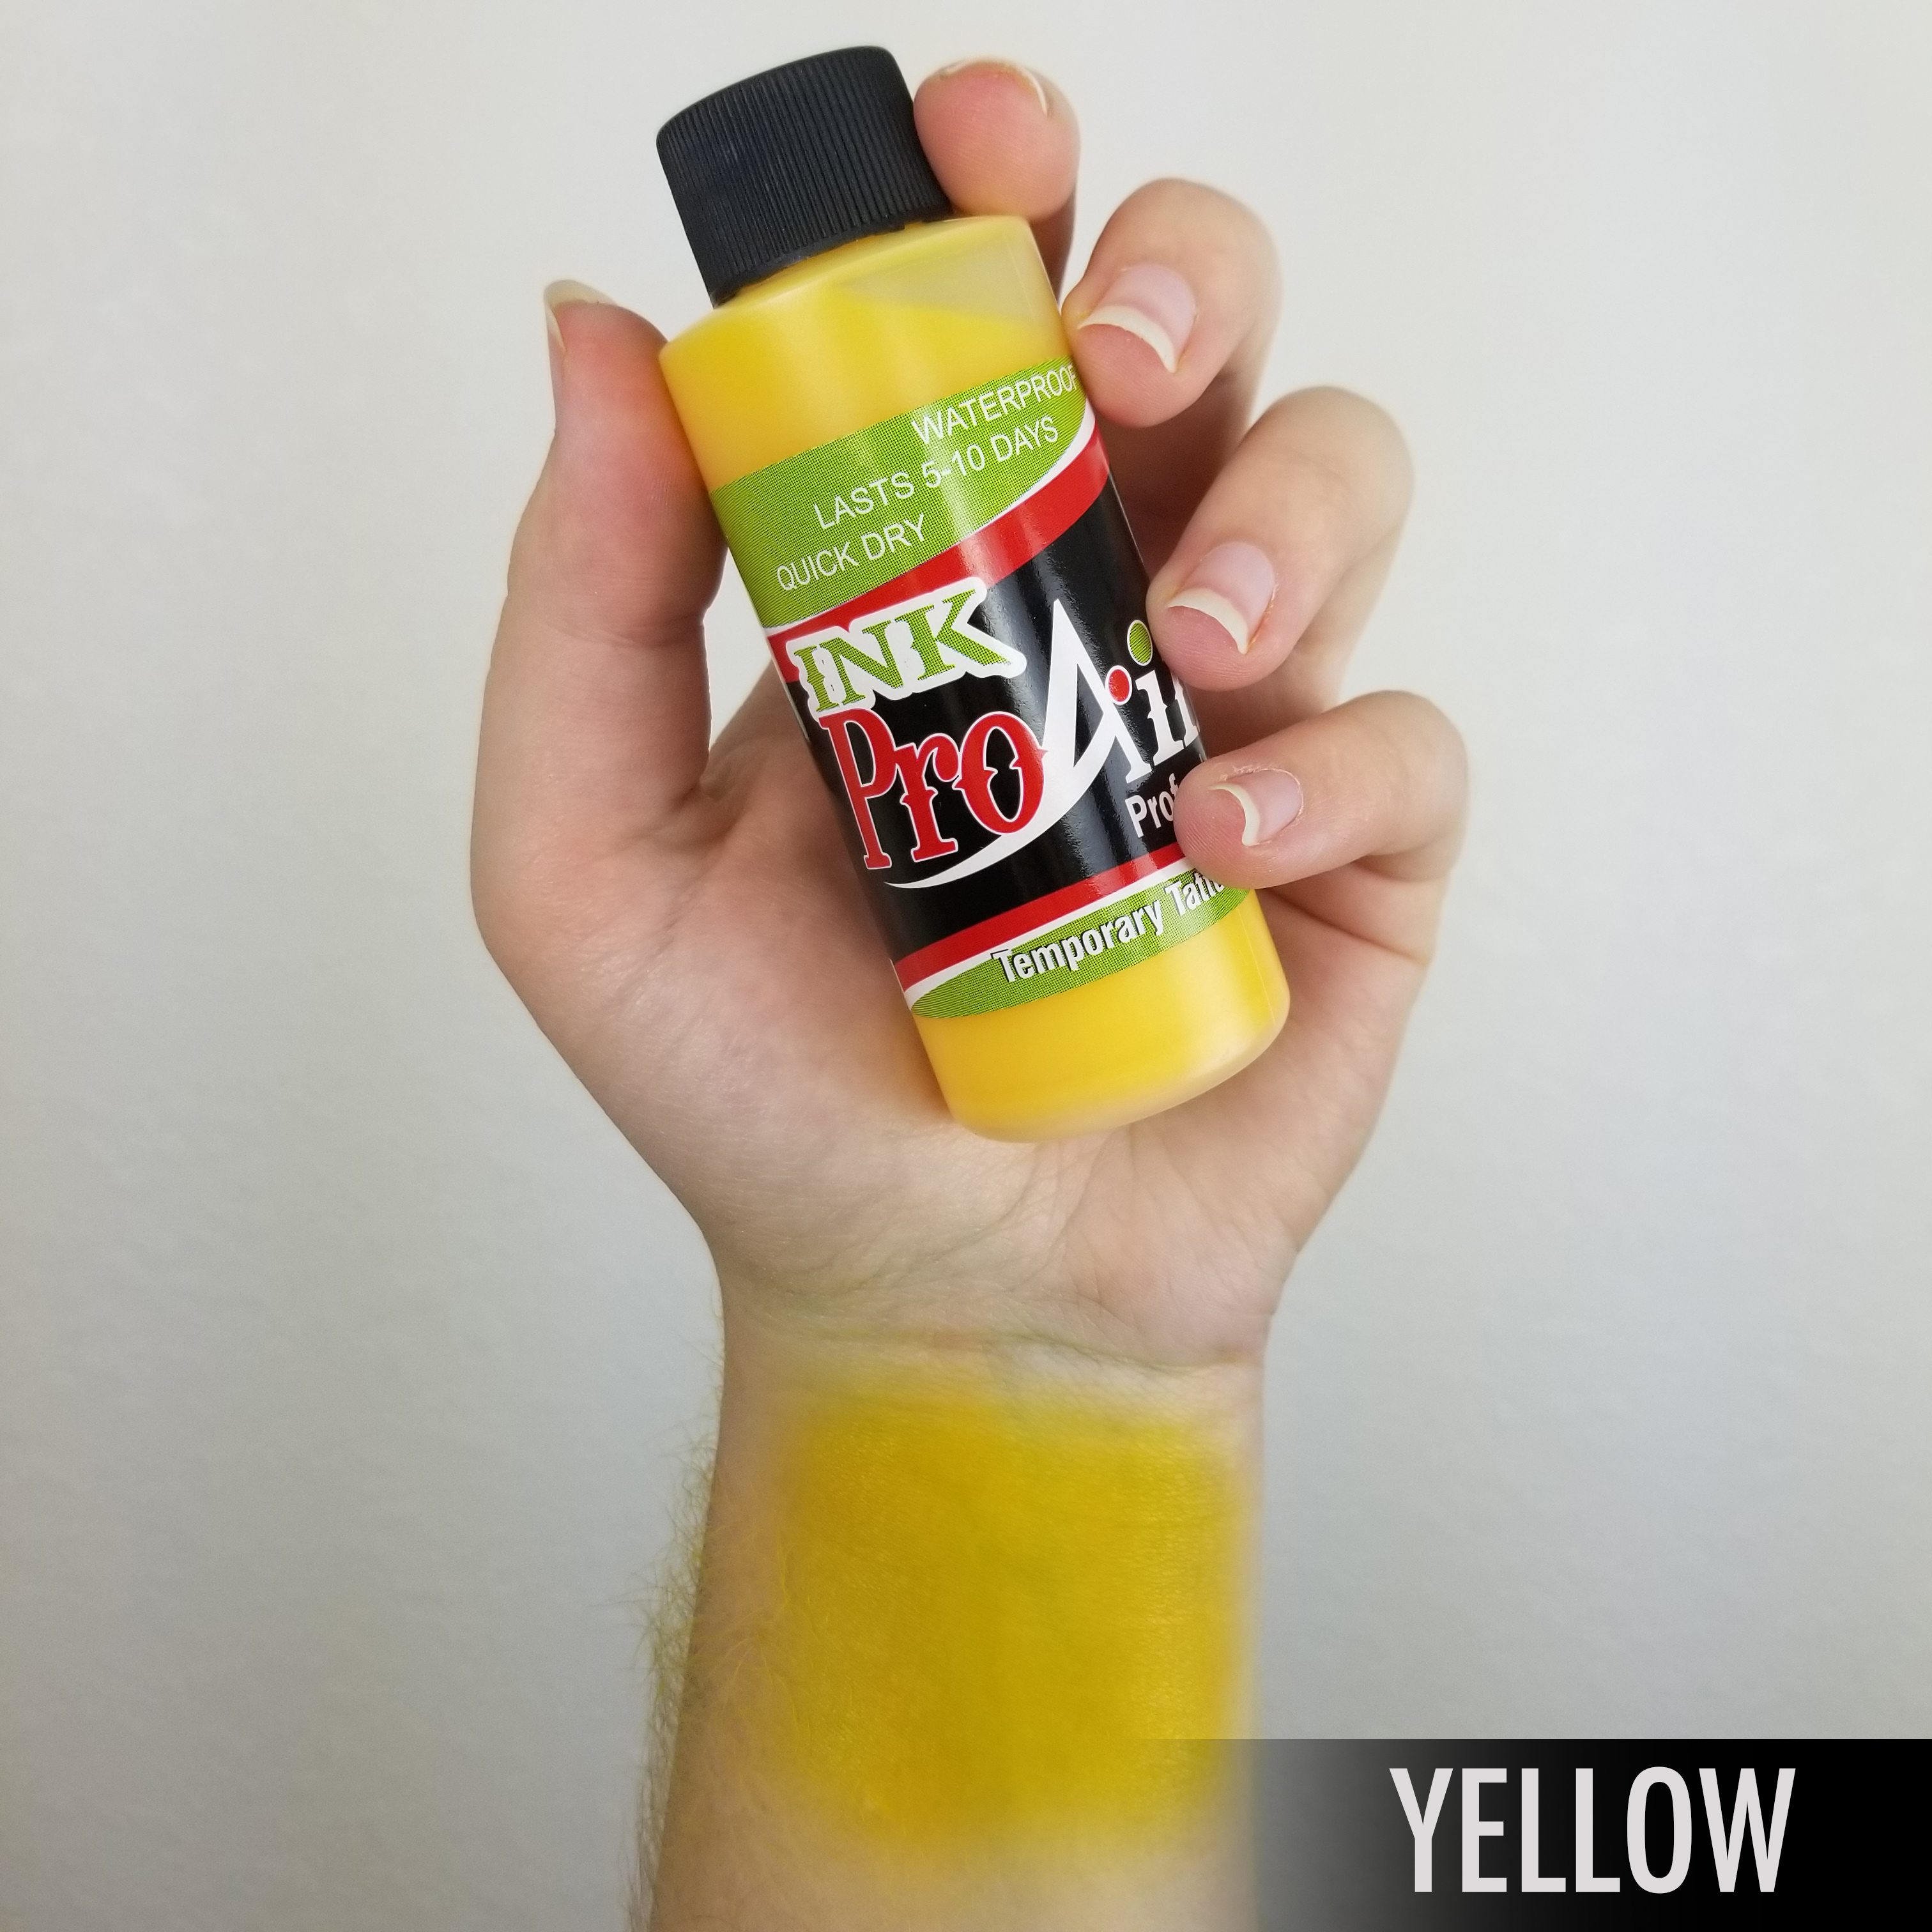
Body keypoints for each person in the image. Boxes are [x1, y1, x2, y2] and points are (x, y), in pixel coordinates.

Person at [472, 55, 1464, 1932]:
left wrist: (1071, 1366)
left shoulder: (948, 311)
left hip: (1150, 964)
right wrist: (906, 1339)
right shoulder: (776, 374)